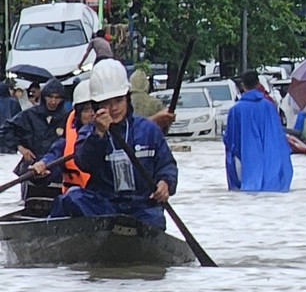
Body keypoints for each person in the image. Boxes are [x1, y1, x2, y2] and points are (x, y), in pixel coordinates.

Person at [36, 60, 177, 228]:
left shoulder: (148, 130)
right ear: (97, 106)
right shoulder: (88, 132)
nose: (114, 108)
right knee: (72, 197)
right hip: (103, 205)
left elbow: (167, 164)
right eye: (106, 103)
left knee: (155, 219)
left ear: (127, 98)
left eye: (118, 100)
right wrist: (99, 134)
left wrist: (165, 183)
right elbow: (84, 162)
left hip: (141, 206)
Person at [4, 80, 70, 215]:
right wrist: (20, 147)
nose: (53, 101)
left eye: (57, 98)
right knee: (31, 206)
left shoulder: (68, 117)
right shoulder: (29, 115)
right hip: (31, 169)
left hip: (57, 171)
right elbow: (6, 130)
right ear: (43, 96)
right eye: (50, 97)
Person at [223, 72, 293, 192]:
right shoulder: (269, 106)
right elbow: (278, 135)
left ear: (243, 85)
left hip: (244, 160)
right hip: (269, 159)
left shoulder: (235, 109)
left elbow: (230, 139)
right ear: (258, 84)